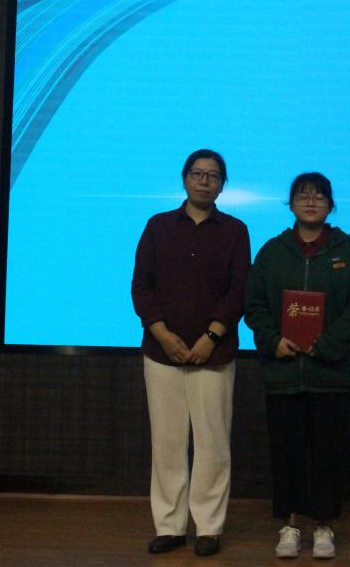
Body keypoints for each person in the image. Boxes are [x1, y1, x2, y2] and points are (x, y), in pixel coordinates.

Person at [244, 172, 350, 560]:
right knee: (287, 454)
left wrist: (327, 345)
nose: (311, 201)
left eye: (319, 196)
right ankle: (289, 524)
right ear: (291, 203)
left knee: (328, 454)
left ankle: (323, 525)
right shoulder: (273, 251)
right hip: (283, 373)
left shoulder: (348, 251)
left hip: (330, 374)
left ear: (331, 205)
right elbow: (254, 306)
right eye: (303, 195)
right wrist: (272, 340)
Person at [131, 149, 251, 558]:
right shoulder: (158, 226)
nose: (204, 181)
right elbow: (141, 286)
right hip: (161, 352)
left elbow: (239, 289)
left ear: (222, 185)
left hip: (213, 354)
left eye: (213, 176)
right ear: (184, 178)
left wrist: (212, 336)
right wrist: (163, 334)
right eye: (197, 173)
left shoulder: (235, 231)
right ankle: (170, 526)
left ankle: (209, 527)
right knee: (167, 443)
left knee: (213, 444)